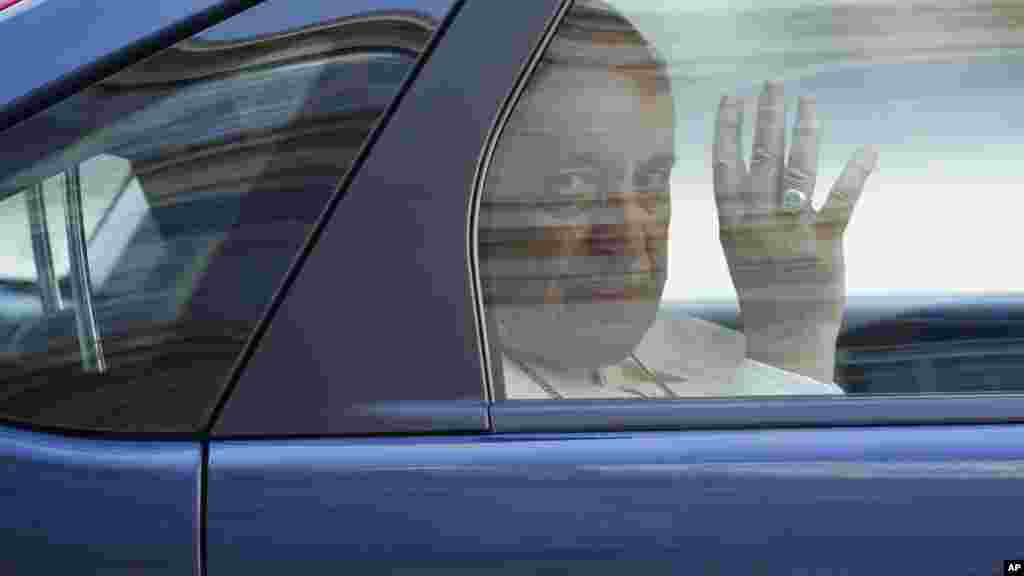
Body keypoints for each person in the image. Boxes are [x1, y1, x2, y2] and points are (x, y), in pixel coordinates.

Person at [479, 1, 878, 399]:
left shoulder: (711, 354)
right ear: (473, 201)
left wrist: (791, 322)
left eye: (652, 181)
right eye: (572, 187)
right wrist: (791, 352)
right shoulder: (453, 409)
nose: (631, 245)